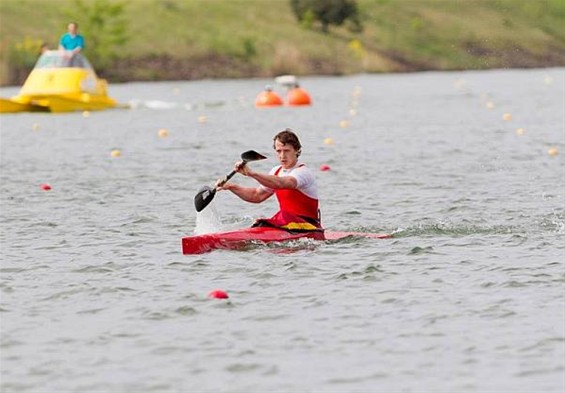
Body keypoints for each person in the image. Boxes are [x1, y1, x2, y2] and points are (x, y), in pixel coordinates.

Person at [216, 129, 322, 231]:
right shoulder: (275, 171)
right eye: (278, 151)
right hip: (287, 224)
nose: (282, 156)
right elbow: (256, 196)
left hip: (308, 226)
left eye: (286, 151)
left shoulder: (303, 172)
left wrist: (251, 173)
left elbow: (283, 183)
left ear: (297, 150)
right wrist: (231, 186)